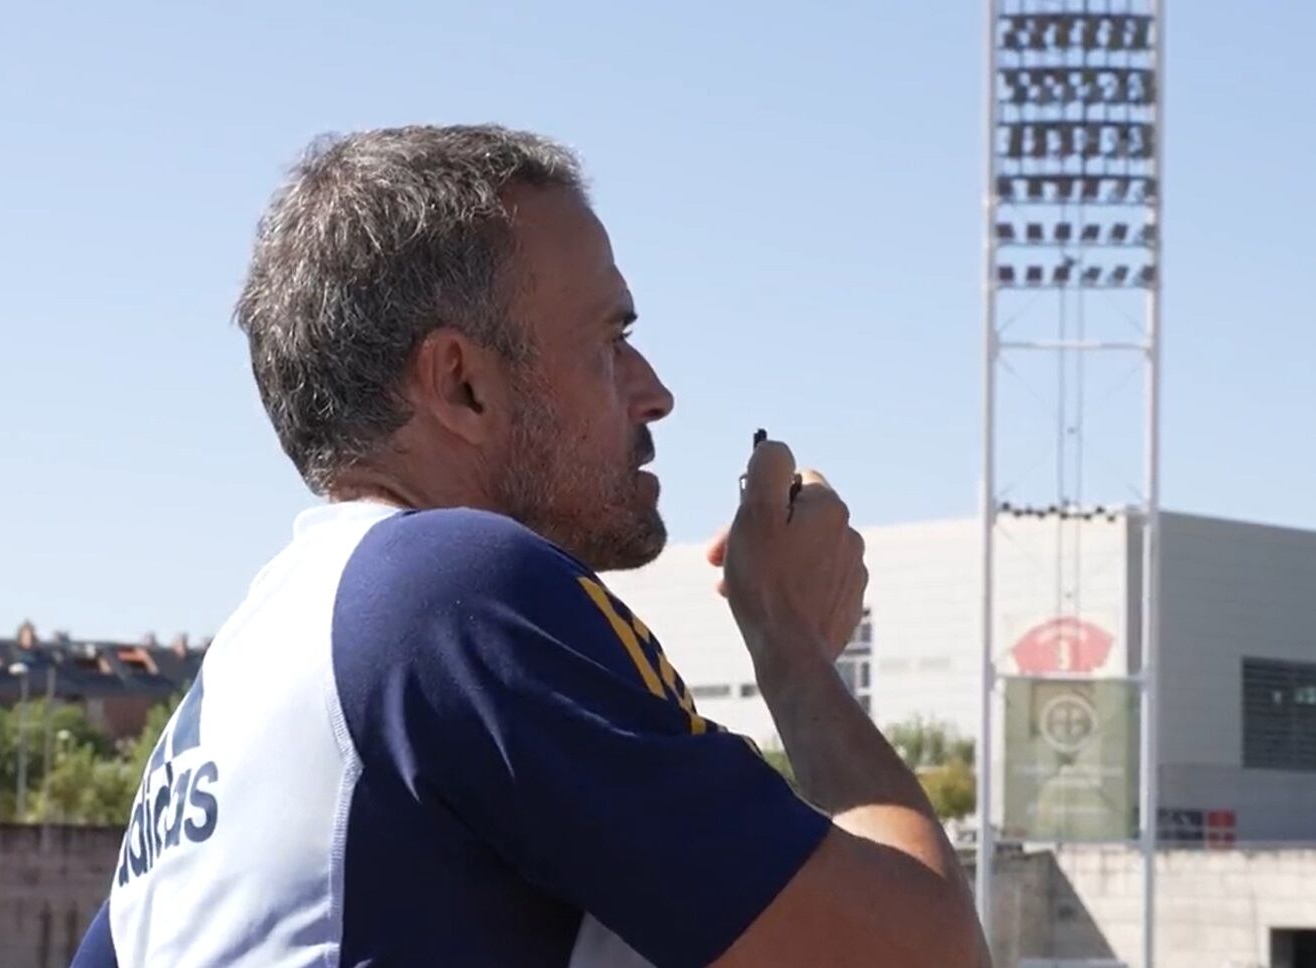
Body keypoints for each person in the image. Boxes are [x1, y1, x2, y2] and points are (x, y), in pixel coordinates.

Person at [72, 125, 989, 968]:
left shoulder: (247, 673)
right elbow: (922, 956)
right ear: (463, 384)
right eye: (611, 340)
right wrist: (790, 657)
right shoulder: (449, 590)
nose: (654, 391)